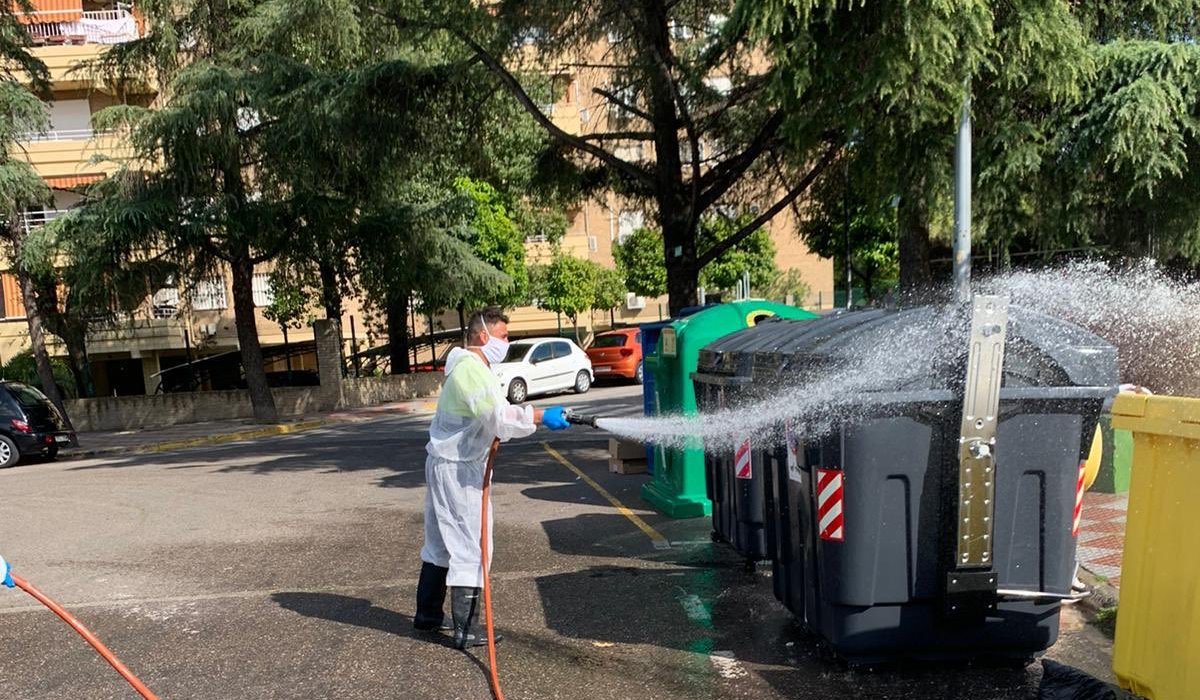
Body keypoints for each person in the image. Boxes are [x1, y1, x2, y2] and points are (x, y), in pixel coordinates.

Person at [414, 306, 572, 649]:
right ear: (483, 335)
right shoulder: (470, 370)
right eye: (503, 336)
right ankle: (467, 629)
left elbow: (494, 418)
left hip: (449, 462)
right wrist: (540, 416)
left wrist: (530, 418)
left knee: (440, 543)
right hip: (458, 468)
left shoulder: (472, 368)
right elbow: (498, 417)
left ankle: (427, 615)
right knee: (472, 545)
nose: (507, 342)